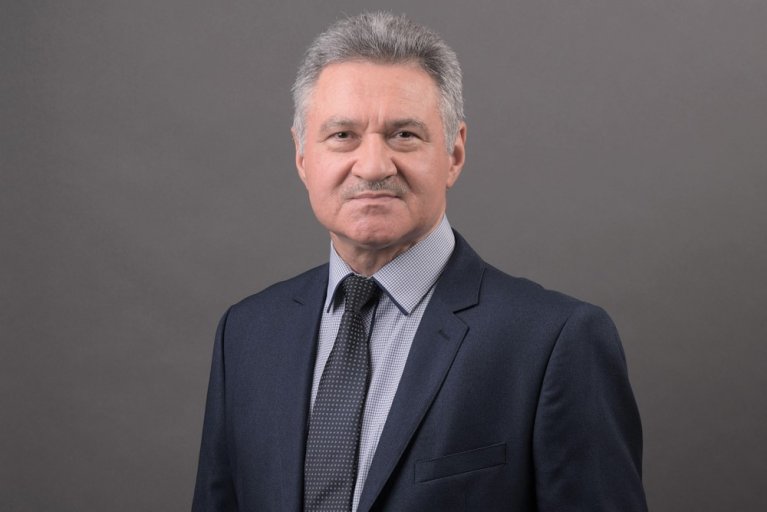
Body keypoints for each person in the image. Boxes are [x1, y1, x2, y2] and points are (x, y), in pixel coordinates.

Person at [192, 11, 647, 512]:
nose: (372, 166)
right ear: (303, 156)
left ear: (454, 153)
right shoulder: (246, 334)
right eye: (342, 135)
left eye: (404, 135)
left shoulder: (555, 341)